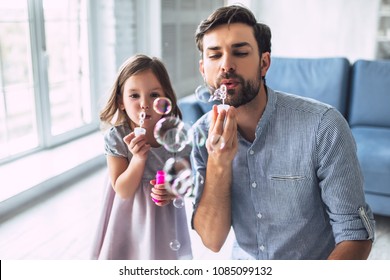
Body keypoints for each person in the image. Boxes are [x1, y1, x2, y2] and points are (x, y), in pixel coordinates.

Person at [190, 5, 375, 260]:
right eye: (214, 56)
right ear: (203, 70)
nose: (226, 65)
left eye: (240, 52)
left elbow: (356, 236)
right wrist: (218, 164)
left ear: (264, 63)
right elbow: (211, 240)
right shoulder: (200, 135)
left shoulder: (323, 126)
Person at [91, 54, 192, 260]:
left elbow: (187, 181)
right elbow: (123, 190)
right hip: (126, 220)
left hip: (162, 222)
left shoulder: (174, 135)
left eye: (154, 95)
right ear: (120, 101)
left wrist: (173, 191)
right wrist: (137, 158)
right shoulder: (117, 137)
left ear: (167, 99)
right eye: (134, 96)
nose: (144, 104)